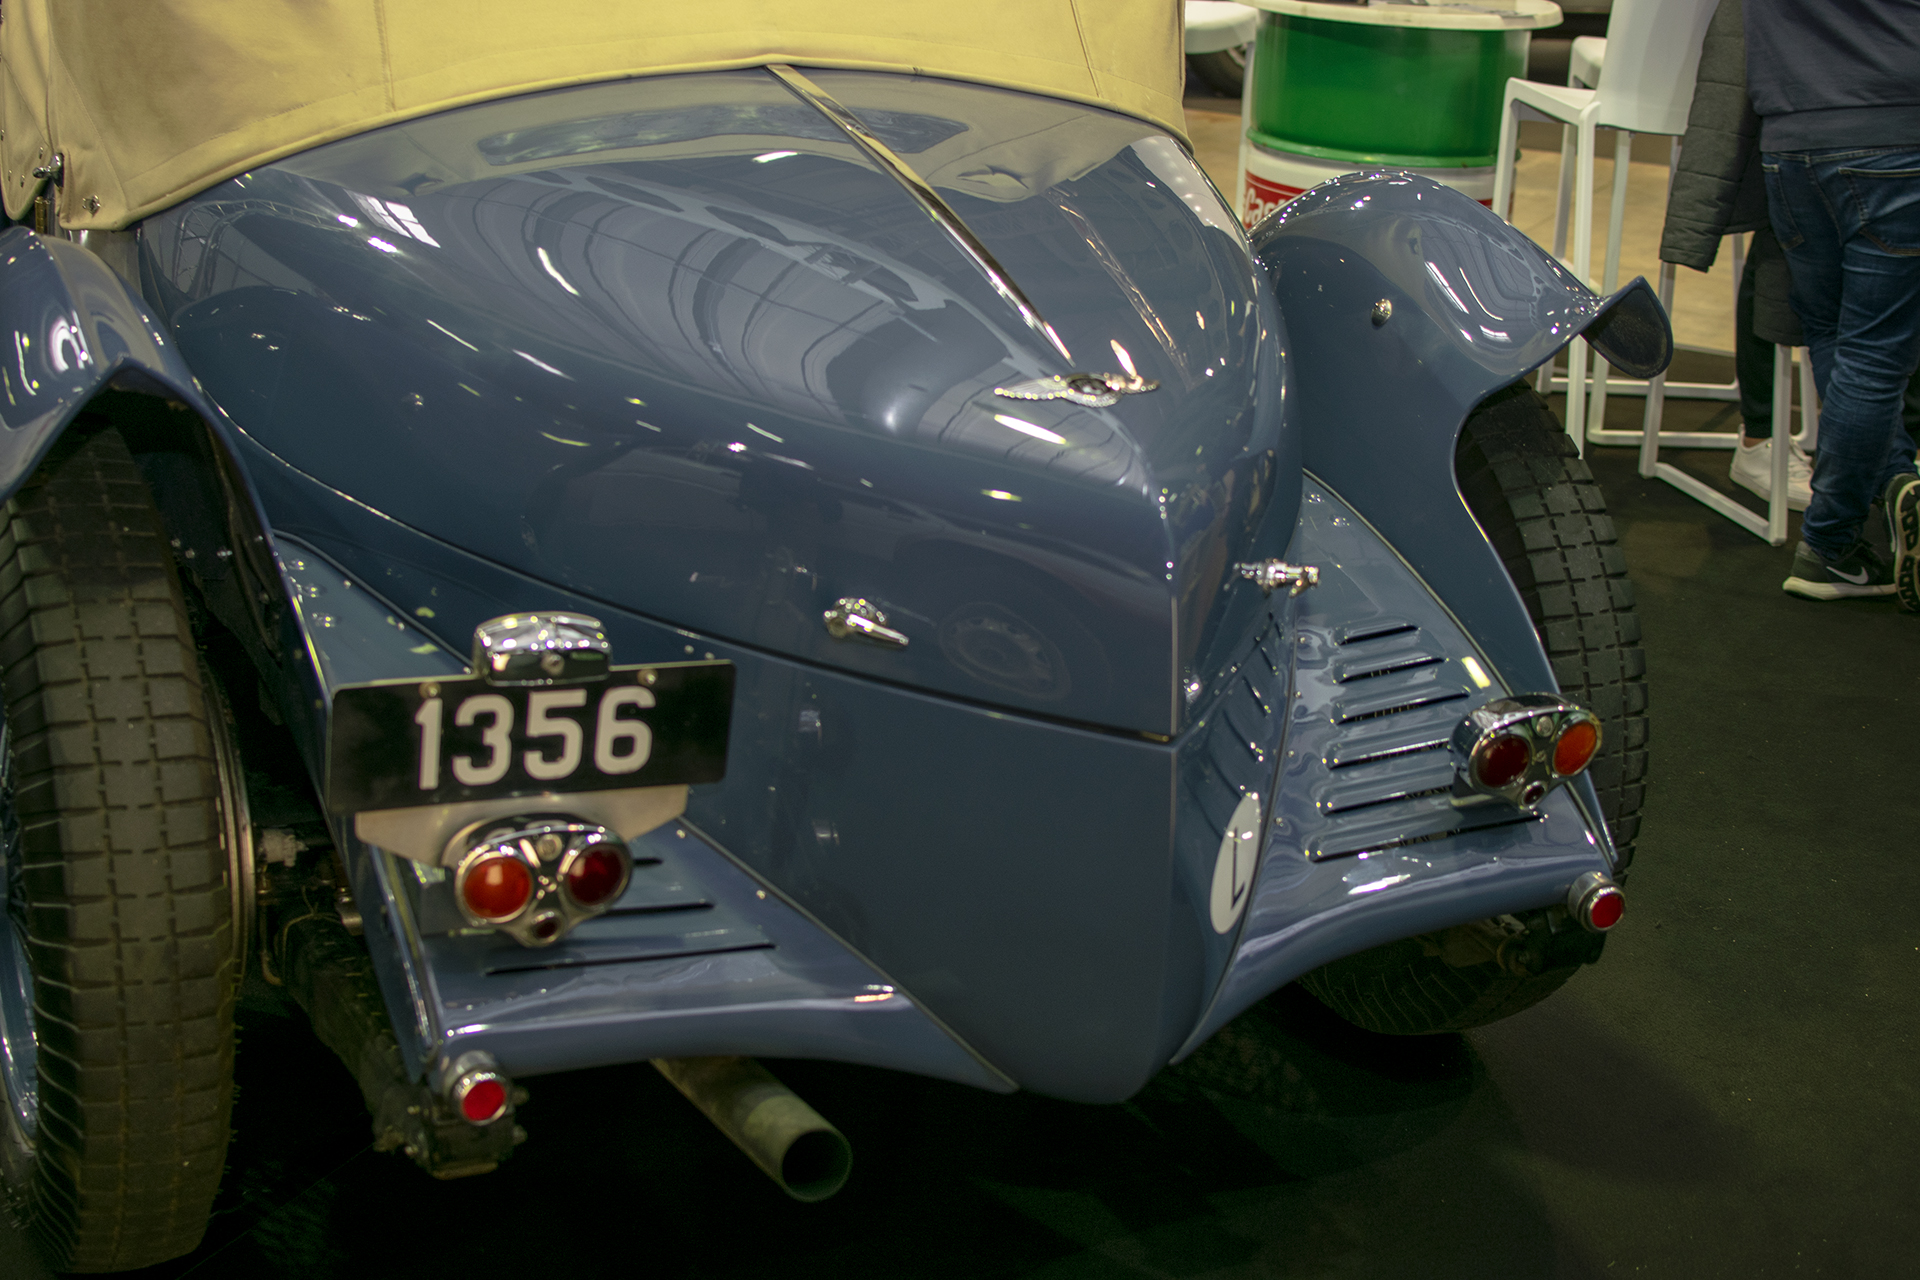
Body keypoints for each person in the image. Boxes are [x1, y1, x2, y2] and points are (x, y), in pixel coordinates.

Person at [1745, 0, 1920, 609]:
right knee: (1876, 355)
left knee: (1833, 334)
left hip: (1790, 141)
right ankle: (1829, 542)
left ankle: (1896, 478)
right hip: (1896, 131)